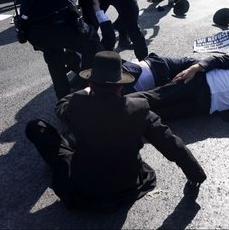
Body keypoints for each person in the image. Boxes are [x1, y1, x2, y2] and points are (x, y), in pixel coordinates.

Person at [25, 51, 206, 211]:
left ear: (91, 83)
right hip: (126, 185)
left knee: (37, 128)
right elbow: (171, 143)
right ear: (121, 86)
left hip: (86, 187)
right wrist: (195, 174)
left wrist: (85, 91)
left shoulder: (77, 104)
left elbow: (61, 106)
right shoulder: (139, 109)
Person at [20, 0, 103, 99]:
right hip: (62, 25)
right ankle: (84, 89)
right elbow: (88, 8)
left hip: (33, 29)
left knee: (53, 57)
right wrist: (91, 31)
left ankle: (63, 98)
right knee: (92, 46)